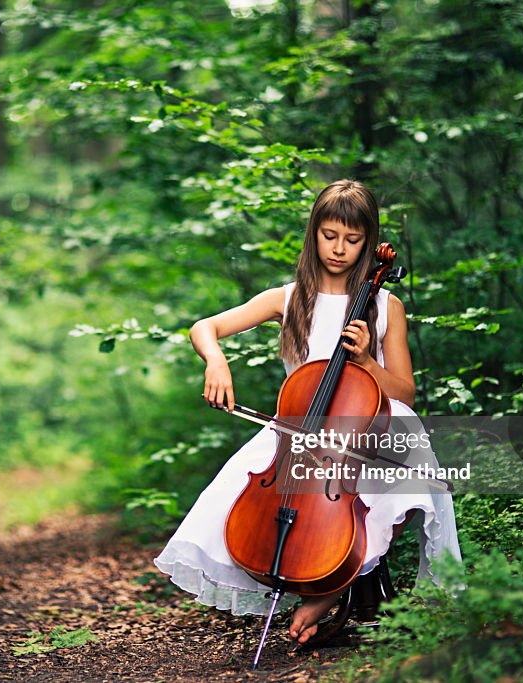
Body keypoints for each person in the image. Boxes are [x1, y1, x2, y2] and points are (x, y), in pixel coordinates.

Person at [153, 179, 462, 646]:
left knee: (403, 473)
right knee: (241, 502)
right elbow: (205, 326)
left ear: (368, 241)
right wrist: (216, 360)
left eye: (353, 240)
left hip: (365, 430)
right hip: (298, 434)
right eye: (329, 235)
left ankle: (330, 587)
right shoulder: (290, 297)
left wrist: (365, 363)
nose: (339, 249)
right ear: (314, 233)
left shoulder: (384, 305)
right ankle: (309, 578)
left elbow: (406, 391)